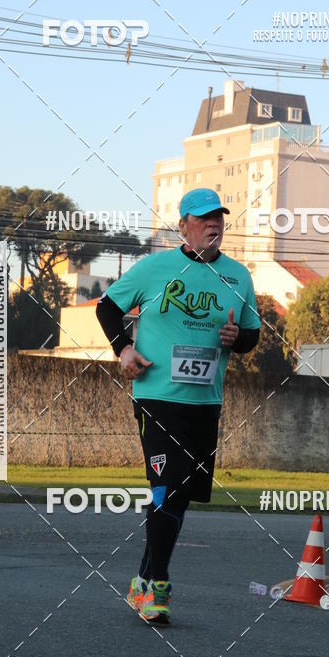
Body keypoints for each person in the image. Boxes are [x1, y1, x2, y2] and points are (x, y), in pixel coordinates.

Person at [96, 188, 260, 625]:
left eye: (219, 219)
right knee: (166, 487)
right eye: (204, 218)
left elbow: (252, 334)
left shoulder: (238, 277)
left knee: (179, 495)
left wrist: (235, 340)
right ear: (183, 224)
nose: (214, 225)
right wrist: (124, 350)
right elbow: (108, 307)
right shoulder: (156, 268)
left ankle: (143, 577)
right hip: (157, 397)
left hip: (206, 401)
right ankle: (160, 586)